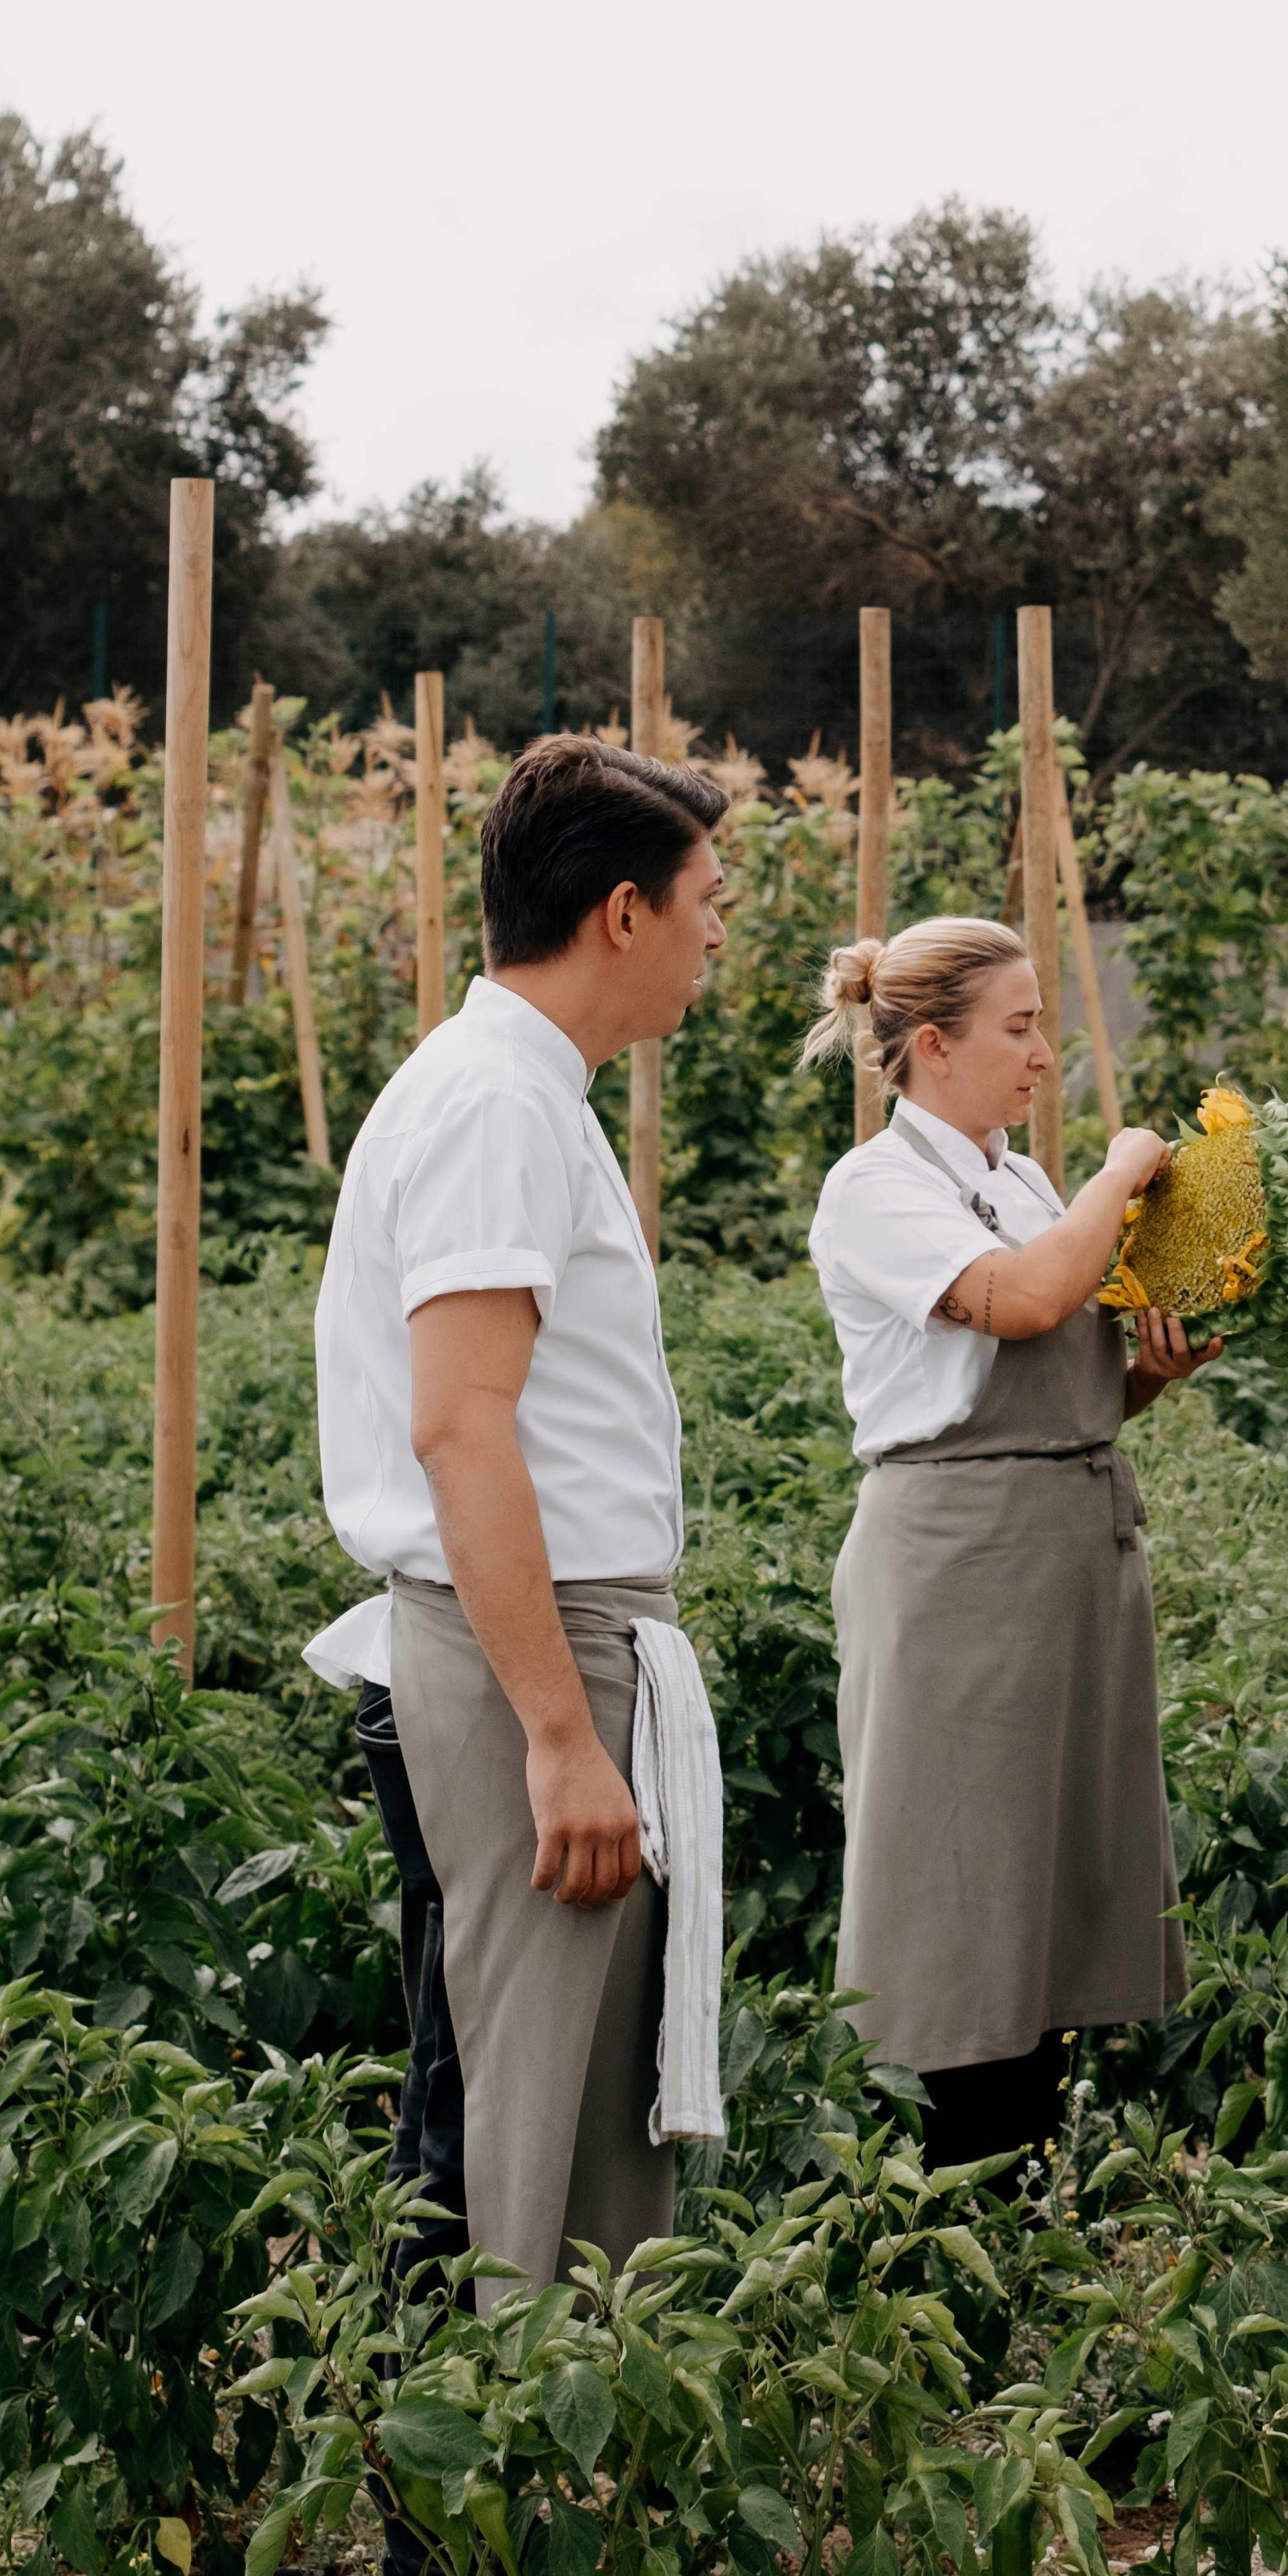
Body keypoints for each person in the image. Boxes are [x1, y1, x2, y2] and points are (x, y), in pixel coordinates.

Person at [309, 731, 734, 2292]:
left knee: (535, 2098)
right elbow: (461, 1427)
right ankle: (480, 2519)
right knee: (519, 2115)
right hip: (530, 1653)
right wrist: (559, 1732)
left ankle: (540, 2498)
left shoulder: (518, 1090)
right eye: (704, 902)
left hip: (558, 1641)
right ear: (622, 914)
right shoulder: (493, 1105)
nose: (713, 938)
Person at [801, 917, 1216, 2175]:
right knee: (960, 1911)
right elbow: (1027, 1302)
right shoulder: (875, 1190)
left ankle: (1018, 2224)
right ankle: (953, 2224)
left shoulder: (1016, 1183)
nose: (1044, 1053)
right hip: (958, 1572)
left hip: (1065, 1556)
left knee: (1036, 1910)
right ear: (933, 1045)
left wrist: (1150, 1375)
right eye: (1019, 1027)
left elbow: (1062, 1382)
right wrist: (1125, 1172)